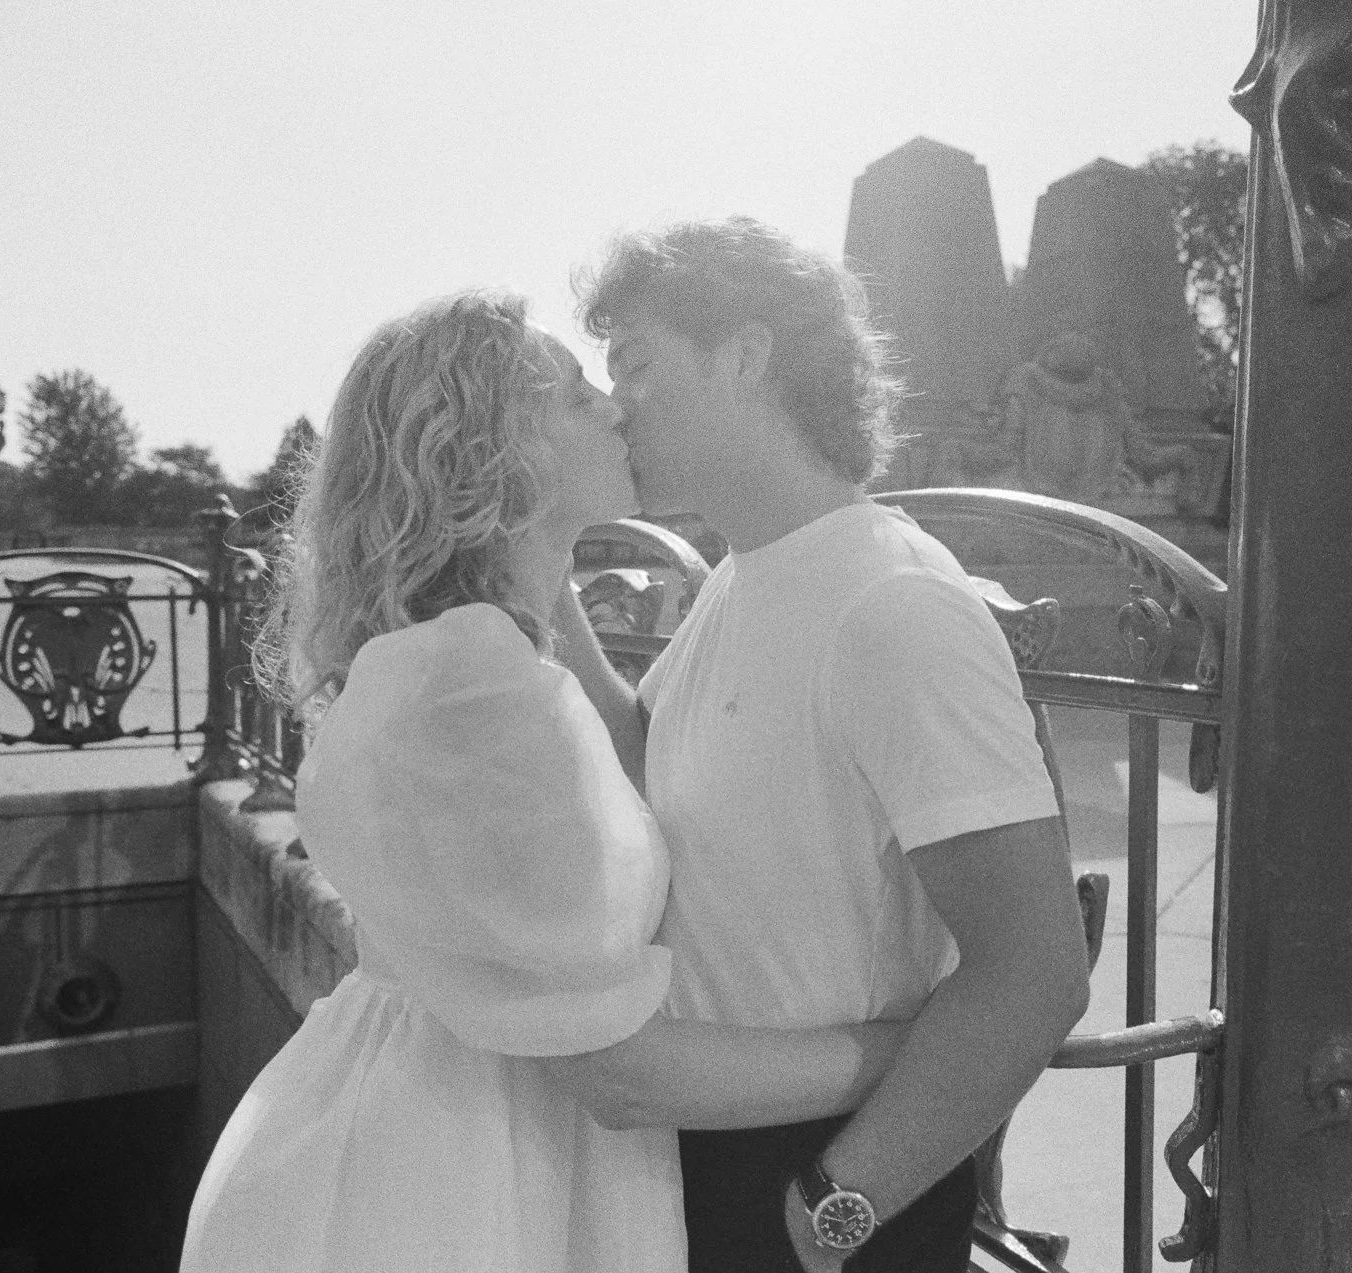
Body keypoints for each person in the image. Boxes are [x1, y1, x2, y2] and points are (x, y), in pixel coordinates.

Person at [177, 290, 908, 1273]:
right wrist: (921, 1046)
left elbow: (627, 766)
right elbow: (624, 1072)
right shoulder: (478, 697)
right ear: (492, 455)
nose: (614, 405)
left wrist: (538, 556)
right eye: (572, 395)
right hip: (474, 1183)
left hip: (418, 1129)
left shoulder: (459, 657)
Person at [565, 218, 1093, 1272]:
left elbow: (1035, 970)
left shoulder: (892, 604)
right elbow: (644, 760)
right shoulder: (745, 574)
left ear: (747, 354)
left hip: (825, 1191)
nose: (616, 401)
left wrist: (830, 1212)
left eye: (635, 361)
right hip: (706, 1165)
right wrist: (540, 575)